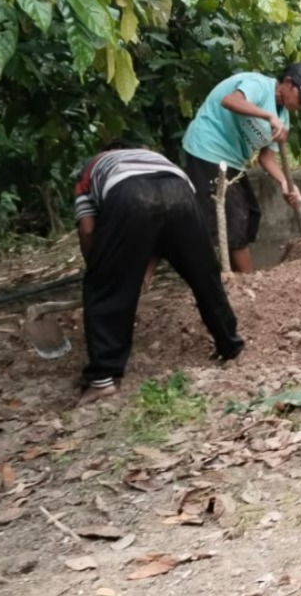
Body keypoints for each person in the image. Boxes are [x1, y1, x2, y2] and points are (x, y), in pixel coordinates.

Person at [74, 147, 244, 406]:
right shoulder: (153, 157)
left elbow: (87, 230)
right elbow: (160, 230)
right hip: (179, 190)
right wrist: (143, 269)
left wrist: (101, 271)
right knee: (205, 276)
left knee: (104, 288)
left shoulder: (88, 172)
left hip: (128, 193)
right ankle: (230, 346)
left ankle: (103, 378)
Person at [182, 64, 301, 273]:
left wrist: (285, 182)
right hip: (207, 149)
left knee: (251, 213)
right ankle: (248, 281)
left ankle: (235, 277)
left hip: (232, 161)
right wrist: (267, 117)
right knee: (235, 218)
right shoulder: (258, 85)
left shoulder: (283, 118)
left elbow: (266, 156)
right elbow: (230, 101)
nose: (300, 105)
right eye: (300, 98)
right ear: (287, 83)